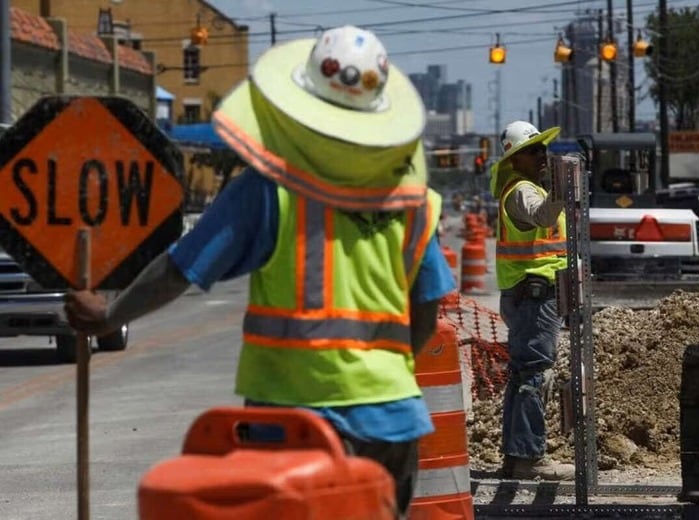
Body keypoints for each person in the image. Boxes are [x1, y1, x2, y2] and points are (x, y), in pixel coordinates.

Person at [64, 25, 455, 518]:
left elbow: (178, 270)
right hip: (393, 422)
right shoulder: (414, 200)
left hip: (292, 425)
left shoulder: (271, 190)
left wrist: (109, 315)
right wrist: (382, 378)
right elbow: (425, 312)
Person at [489, 120, 574, 480]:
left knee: (524, 372)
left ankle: (517, 456)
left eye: (543, 149)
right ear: (515, 159)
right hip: (534, 294)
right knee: (535, 374)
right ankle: (528, 456)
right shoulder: (523, 191)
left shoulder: (526, 188)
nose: (542, 155)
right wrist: (564, 189)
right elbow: (541, 215)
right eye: (533, 150)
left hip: (529, 294)